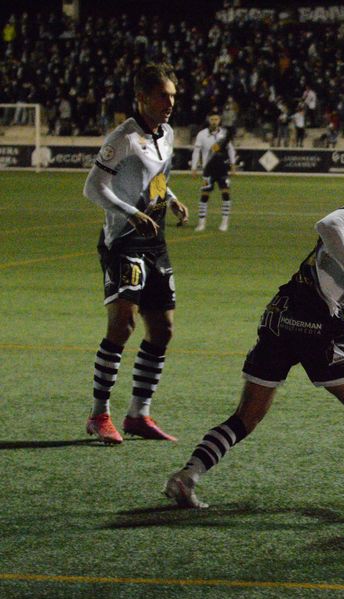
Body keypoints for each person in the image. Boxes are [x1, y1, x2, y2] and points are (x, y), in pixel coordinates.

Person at [163, 144, 344, 508]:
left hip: (281, 312)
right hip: (318, 321)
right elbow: (328, 224)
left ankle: (187, 477)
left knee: (246, 418)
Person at [81, 62, 189, 444]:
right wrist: (131, 213)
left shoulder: (167, 133)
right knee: (123, 324)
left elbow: (155, 178)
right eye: (162, 96)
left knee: (162, 329)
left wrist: (171, 199)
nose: (170, 103)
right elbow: (93, 187)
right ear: (141, 97)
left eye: (173, 96)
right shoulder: (123, 138)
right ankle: (99, 414)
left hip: (154, 240)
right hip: (124, 239)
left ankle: (138, 414)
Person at [190, 110, 237, 232]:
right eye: (212, 119)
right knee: (205, 195)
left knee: (226, 194)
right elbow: (196, 151)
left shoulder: (224, 134)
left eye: (216, 119)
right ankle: (201, 223)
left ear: (219, 120)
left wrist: (233, 165)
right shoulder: (202, 134)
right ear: (208, 120)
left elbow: (230, 149)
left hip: (222, 169)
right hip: (208, 170)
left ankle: (224, 223)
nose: (214, 122)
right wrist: (194, 167)